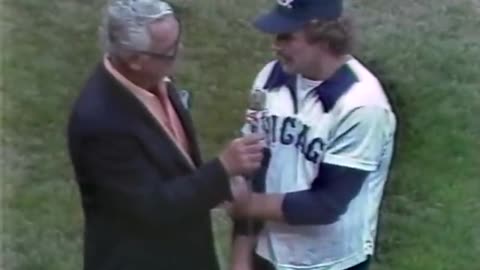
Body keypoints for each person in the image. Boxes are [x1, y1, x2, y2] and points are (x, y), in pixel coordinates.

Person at [67, 1, 263, 270]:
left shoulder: (152, 78)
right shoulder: (100, 122)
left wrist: (217, 187)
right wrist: (221, 169)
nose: (180, 53)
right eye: (170, 52)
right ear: (135, 59)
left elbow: (174, 166)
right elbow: (150, 209)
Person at [229, 1, 397, 270]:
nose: (276, 46)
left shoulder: (362, 105)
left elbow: (327, 204)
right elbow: (252, 172)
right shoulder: (270, 78)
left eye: (287, 36)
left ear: (323, 37)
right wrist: (240, 257)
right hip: (266, 256)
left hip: (331, 263)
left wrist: (246, 205)